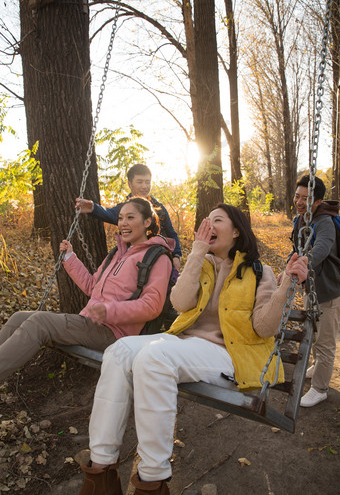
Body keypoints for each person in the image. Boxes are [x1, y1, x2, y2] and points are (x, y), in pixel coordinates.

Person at [77, 203, 307, 495]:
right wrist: (197, 253)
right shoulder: (205, 264)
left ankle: (151, 481)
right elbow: (181, 303)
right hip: (184, 343)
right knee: (119, 351)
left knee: (153, 358)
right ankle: (101, 472)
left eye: (218, 220)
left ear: (236, 230)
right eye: (206, 221)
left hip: (227, 354)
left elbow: (264, 327)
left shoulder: (259, 272)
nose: (209, 226)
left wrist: (287, 283)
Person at [0, 198, 174, 385]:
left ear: (147, 222)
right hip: (91, 323)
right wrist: (70, 257)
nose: (123, 223)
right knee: (19, 317)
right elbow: (92, 285)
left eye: (130, 217)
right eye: (121, 217)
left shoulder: (157, 257)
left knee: (39, 323)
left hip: (114, 332)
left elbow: (152, 306)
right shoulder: (117, 253)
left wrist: (109, 311)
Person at [290, 175, 340, 407]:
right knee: (314, 332)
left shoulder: (325, 222)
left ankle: (320, 389)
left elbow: (321, 249)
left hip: (329, 291)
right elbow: (297, 248)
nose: (299, 202)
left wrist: (302, 265)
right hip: (311, 287)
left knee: (326, 342)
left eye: (306, 198)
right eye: (297, 196)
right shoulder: (300, 219)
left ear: (318, 201)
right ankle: (317, 365)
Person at [75, 163, 182, 272]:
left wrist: (176, 256)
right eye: (140, 182)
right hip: (135, 263)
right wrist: (93, 208)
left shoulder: (159, 208)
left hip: (160, 259)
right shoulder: (125, 208)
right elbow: (109, 213)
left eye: (147, 182)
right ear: (130, 184)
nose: (144, 186)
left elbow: (171, 233)